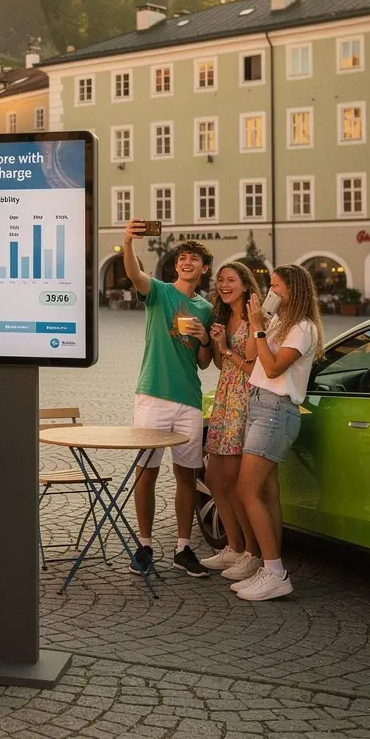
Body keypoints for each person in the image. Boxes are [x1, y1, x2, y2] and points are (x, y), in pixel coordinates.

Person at [122, 221, 214, 577]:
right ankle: (144, 546)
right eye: (182, 258)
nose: (187, 262)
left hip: (188, 398)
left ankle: (182, 547)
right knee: (146, 472)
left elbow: (203, 362)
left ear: (204, 268)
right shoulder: (159, 292)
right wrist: (128, 242)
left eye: (194, 259)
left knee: (186, 475)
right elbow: (134, 274)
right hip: (153, 394)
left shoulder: (205, 308)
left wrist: (204, 338)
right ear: (177, 265)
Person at [234, 264, 322, 602]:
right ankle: (270, 567)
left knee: (247, 489)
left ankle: (275, 574)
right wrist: (257, 322)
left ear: (293, 290)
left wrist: (259, 327)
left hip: (276, 410)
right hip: (260, 405)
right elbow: (252, 356)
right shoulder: (279, 322)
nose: (270, 291)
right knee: (267, 491)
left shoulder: (303, 328)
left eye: (276, 286)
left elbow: (272, 369)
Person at [200, 263, 261, 580]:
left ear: (245, 284)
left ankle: (252, 553)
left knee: (236, 482)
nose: (224, 285)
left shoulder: (255, 318)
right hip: (224, 398)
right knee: (214, 479)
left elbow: (253, 367)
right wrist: (215, 341)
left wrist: (225, 347)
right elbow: (218, 363)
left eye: (231, 280)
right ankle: (234, 548)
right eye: (220, 280)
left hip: (244, 400)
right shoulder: (223, 317)